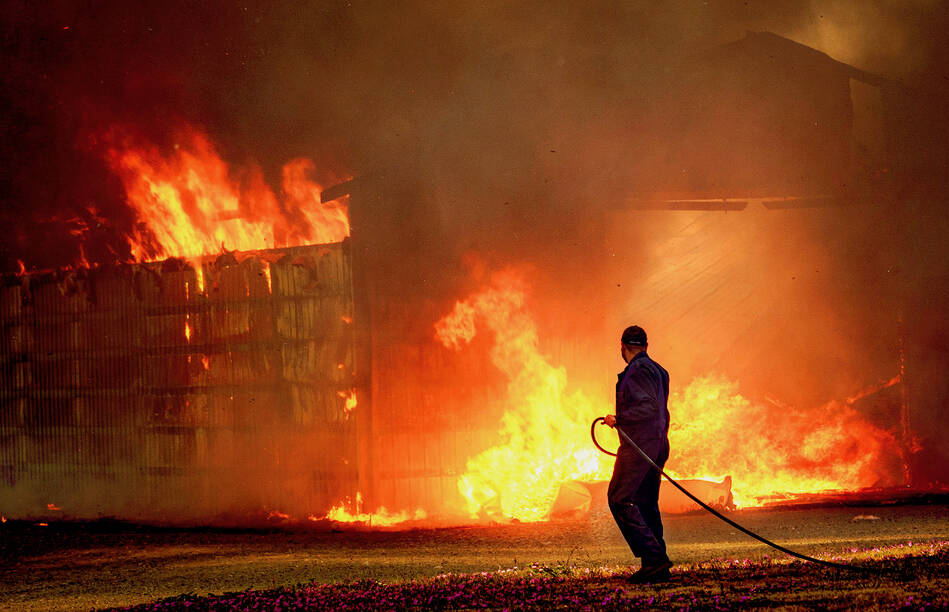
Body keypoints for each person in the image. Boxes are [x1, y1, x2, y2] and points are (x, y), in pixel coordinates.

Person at [603, 325, 672, 583]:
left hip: (639, 446)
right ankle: (657, 566)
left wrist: (619, 419)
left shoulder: (637, 371)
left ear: (623, 346)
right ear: (645, 345)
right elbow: (661, 411)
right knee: (645, 502)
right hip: (657, 444)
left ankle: (654, 558)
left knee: (619, 498)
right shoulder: (659, 371)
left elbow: (650, 407)